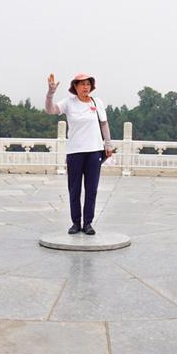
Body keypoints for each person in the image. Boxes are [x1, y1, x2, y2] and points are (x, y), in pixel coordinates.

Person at [45, 72, 114, 235]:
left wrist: (108, 143)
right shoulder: (69, 103)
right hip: (75, 151)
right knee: (74, 189)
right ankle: (75, 223)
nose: (85, 87)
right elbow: (50, 110)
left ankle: (88, 223)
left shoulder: (97, 102)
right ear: (75, 86)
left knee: (92, 189)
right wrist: (50, 93)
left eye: (88, 84)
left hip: (94, 151)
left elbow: (104, 124)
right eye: (82, 84)